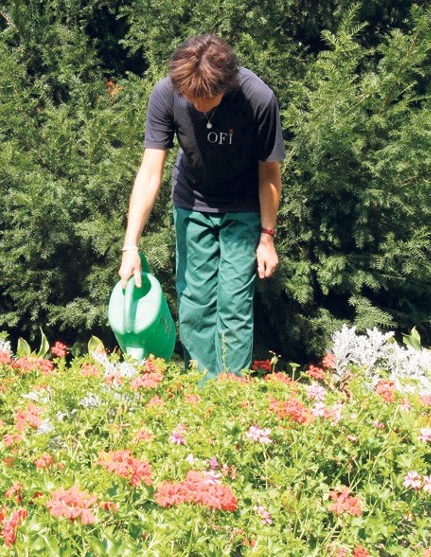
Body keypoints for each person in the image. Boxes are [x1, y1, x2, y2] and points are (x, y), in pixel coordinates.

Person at [118, 34, 285, 380]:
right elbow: (150, 172)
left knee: (234, 306)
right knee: (195, 304)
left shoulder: (258, 99)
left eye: (206, 98)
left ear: (228, 84)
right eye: (190, 96)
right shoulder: (167, 93)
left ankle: (230, 392)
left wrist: (267, 237)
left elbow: (269, 173)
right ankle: (200, 393)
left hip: (243, 209)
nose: (196, 104)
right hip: (193, 204)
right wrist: (130, 245)